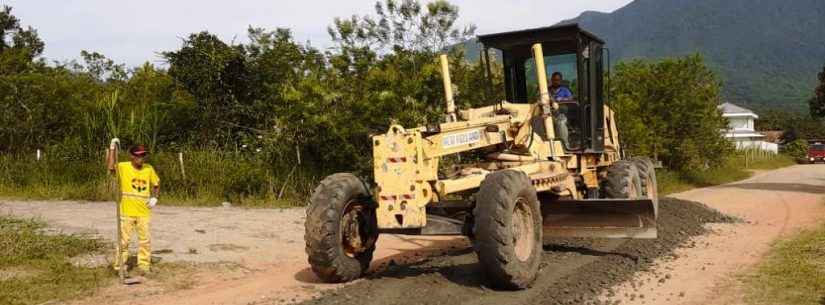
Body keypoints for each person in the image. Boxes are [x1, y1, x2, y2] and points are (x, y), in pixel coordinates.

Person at [106, 142, 160, 275]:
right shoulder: (124, 167)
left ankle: (144, 266)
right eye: (138, 156)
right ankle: (119, 266)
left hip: (143, 212)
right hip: (126, 211)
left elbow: (156, 183)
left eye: (143, 156)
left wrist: (155, 198)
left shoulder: (149, 168)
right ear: (132, 156)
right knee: (123, 240)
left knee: (145, 240)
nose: (141, 158)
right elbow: (110, 167)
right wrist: (112, 149)